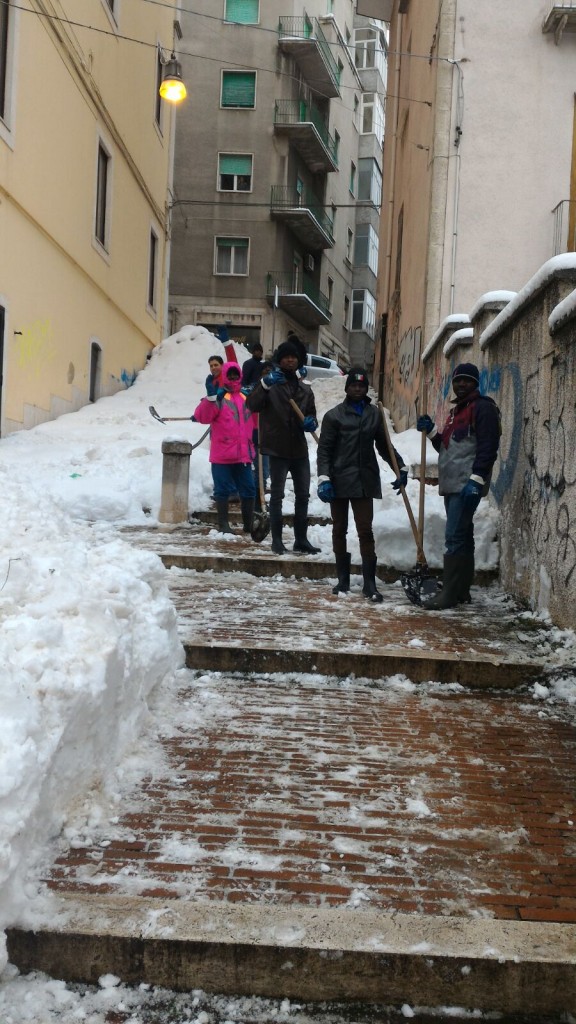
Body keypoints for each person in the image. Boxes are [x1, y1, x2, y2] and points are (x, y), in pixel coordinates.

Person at [316, 368, 408, 603]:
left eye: (361, 385)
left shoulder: (374, 415)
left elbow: (384, 445)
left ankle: (369, 583)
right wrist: (324, 478)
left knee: (365, 530)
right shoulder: (333, 416)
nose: (357, 389)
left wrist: (400, 466)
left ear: (366, 388)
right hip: (338, 479)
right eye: (353, 385)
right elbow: (324, 450)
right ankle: (343, 580)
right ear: (346, 388)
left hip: (364, 479)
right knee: (339, 529)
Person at [417, 362, 501, 610]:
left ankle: (450, 595)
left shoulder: (483, 408)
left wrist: (477, 480)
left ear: (476, 383)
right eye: (457, 380)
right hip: (453, 484)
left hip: (467, 484)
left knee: (454, 536)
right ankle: (461, 590)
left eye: (467, 380)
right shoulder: (457, 411)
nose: (461, 384)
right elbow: (448, 448)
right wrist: (432, 431)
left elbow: (488, 446)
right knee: (463, 535)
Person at [246, 340, 319, 555]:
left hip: (298, 449)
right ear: (280, 360)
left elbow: (312, 414)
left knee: (303, 495)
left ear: (299, 361)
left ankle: (301, 539)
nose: (290, 360)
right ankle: (277, 540)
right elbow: (251, 405)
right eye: (286, 356)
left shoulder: (305, 391)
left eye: (294, 357)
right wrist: (265, 385)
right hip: (276, 448)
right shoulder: (270, 386)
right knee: (277, 495)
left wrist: (311, 422)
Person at [193, 361, 256, 534]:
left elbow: (258, 418)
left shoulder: (246, 397)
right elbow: (202, 417)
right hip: (222, 455)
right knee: (222, 490)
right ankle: (223, 524)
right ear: (225, 376)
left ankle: (248, 524)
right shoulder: (218, 397)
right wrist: (210, 399)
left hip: (243, 455)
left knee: (249, 489)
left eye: (236, 374)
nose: (233, 378)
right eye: (230, 375)